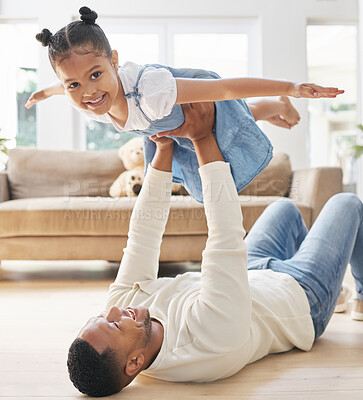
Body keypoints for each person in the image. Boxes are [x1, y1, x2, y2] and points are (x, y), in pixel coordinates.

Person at [67, 102, 363, 397]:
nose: (115, 311)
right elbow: (224, 235)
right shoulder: (206, 341)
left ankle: (331, 277)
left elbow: (142, 238)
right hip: (300, 299)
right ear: (134, 362)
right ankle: (352, 293)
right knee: (347, 204)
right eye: (116, 325)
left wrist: (164, 149)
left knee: (284, 208)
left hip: (249, 275)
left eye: (102, 316)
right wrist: (202, 138)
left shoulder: (122, 309)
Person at [26, 6, 344, 202]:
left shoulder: (150, 91)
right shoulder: (83, 99)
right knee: (229, 130)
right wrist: (43, 93)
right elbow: (63, 86)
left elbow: (223, 89)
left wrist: (293, 86)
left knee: (230, 127)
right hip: (167, 123)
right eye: (74, 84)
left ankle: (280, 102)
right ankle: (272, 106)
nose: (88, 91)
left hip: (193, 100)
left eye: (96, 74)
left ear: (114, 61)